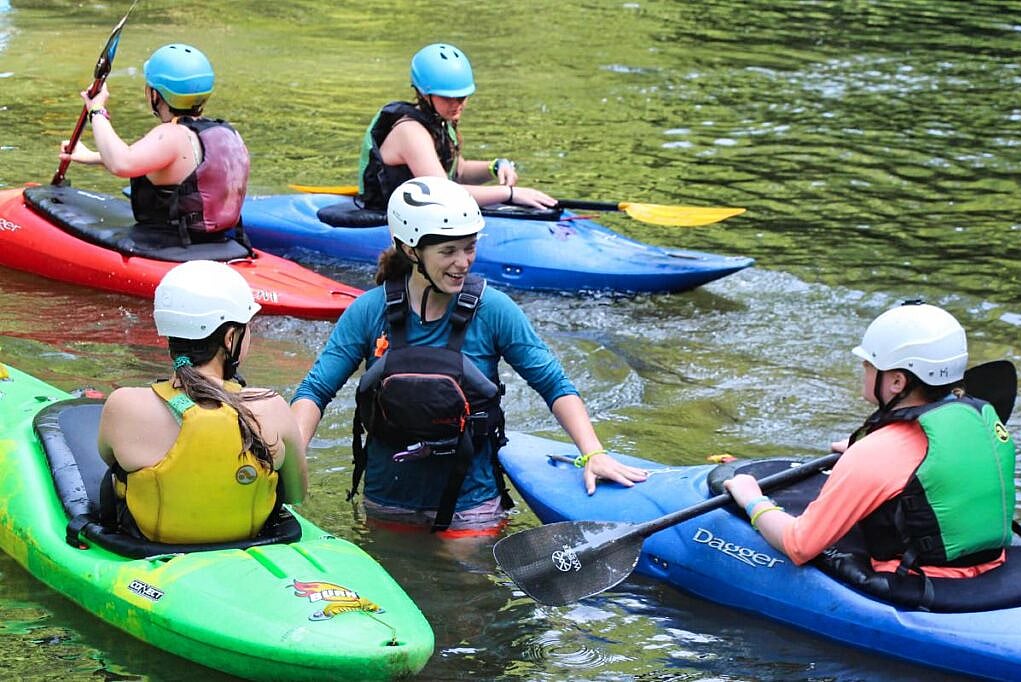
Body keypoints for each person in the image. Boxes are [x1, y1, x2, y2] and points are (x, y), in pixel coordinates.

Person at [292, 176, 647, 535]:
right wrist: (291, 463)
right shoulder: (369, 311)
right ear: (410, 250)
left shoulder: (493, 309)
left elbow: (554, 384)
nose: (463, 263)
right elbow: (315, 390)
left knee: (468, 588)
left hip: (471, 504)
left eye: (470, 248)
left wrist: (593, 453)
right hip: (387, 501)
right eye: (448, 252)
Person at [724, 302, 1016, 584]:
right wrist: (863, 457)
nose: (864, 371)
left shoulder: (876, 453)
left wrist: (752, 498)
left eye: (869, 365)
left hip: (922, 581)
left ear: (897, 382)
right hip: (992, 566)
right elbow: (937, 470)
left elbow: (799, 544)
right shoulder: (984, 422)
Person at [97, 260, 307, 543]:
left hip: (150, 546)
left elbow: (108, 459)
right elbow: (295, 494)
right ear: (231, 337)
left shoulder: (124, 405)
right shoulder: (271, 406)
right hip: (249, 542)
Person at [60, 43, 250, 247]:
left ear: (155, 95)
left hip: (172, 248)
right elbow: (165, 166)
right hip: (222, 243)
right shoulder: (224, 132)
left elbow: (121, 164)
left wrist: (97, 110)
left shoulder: (171, 135)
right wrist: (90, 156)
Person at [356, 42, 557, 212]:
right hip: (387, 217)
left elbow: (458, 171)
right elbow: (445, 193)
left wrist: (495, 166)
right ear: (425, 94)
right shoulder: (410, 132)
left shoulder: (439, 122)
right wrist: (510, 193)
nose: (457, 104)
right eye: (448, 97)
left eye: (462, 97)